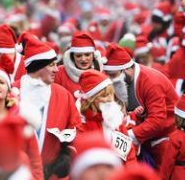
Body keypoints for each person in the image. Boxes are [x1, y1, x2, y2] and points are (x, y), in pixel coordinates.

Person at [17, 36, 83, 179]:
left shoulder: (62, 94)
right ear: (37, 67)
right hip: (18, 172)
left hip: (53, 173)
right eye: (51, 65)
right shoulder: (14, 91)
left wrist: (67, 154)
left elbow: (76, 127)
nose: (56, 69)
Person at [101, 43, 177, 166]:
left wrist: (128, 135)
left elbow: (157, 120)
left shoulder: (151, 82)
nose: (110, 79)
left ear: (126, 69)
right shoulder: (120, 82)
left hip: (165, 135)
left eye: (113, 75)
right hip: (143, 135)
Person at [75, 69, 136, 164]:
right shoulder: (80, 123)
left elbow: (129, 156)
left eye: (111, 94)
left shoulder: (115, 119)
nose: (110, 99)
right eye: (105, 96)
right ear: (92, 99)